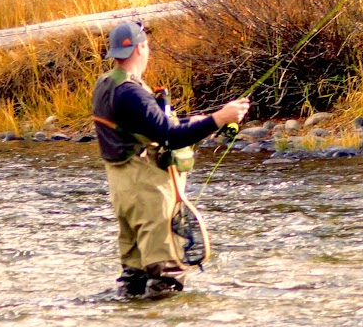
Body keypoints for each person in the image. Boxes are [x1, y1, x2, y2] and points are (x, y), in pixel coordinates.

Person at [89, 19, 249, 299]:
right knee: (166, 273)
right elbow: (169, 137)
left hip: (123, 190)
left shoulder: (107, 84)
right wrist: (218, 118)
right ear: (141, 48)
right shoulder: (132, 93)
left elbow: (148, 127)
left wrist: (195, 122)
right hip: (147, 191)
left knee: (134, 275)